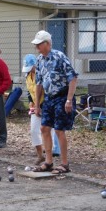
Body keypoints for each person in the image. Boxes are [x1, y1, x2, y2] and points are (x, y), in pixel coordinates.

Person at [31, 30, 78, 173]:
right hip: (49, 98)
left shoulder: (59, 56)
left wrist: (69, 100)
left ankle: (64, 164)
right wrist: (38, 104)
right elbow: (38, 83)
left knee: (59, 129)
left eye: (39, 44)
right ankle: (49, 161)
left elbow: (73, 78)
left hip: (62, 97)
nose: (37, 47)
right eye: (36, 45)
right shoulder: (39, 60)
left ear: (47, 43)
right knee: (44, 128)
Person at [22, 54, 60, 165]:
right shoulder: (28, 76)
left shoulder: (43, 74)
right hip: (35, 106)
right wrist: (31, 101)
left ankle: (50, 157)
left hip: (46, 105)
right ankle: (40, 155)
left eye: (31, 68)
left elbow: (49, 91)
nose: (30, 70)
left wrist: (44, 106)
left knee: (47, 130)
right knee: (34, 130)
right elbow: (29, 90)